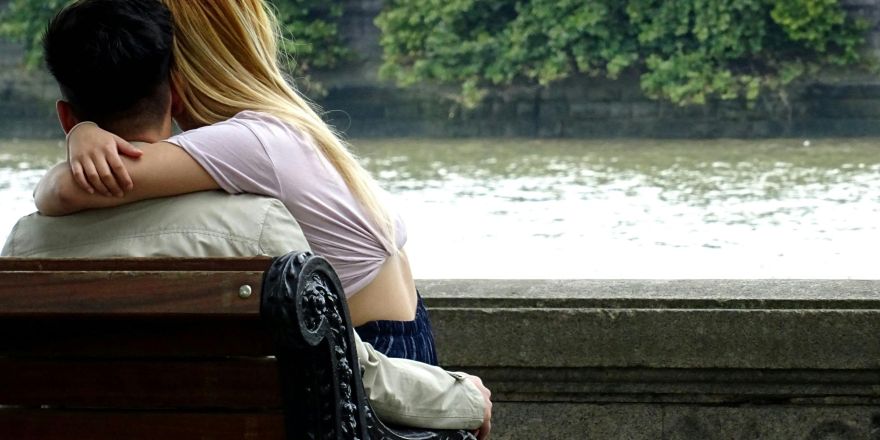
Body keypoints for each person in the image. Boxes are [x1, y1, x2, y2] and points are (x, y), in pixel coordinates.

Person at [24, 1, 491, 437]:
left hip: (365, 357)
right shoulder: (270, 135)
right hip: (379, 357)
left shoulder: (242, 147)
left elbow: (66, 189)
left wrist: (82, 133)